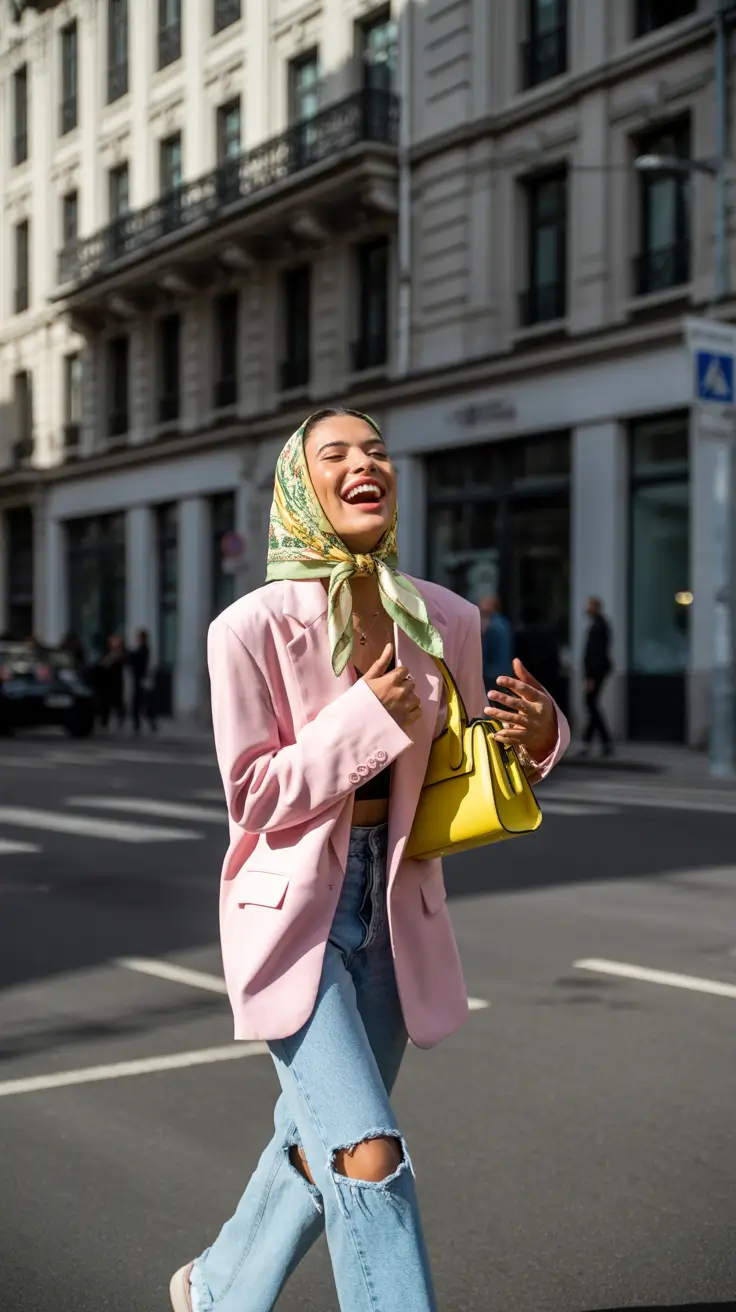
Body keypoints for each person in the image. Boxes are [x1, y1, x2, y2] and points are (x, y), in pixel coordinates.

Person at [170, 408, 570, 1312]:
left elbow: (479, 753)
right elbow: (254, 796)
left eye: (379, 451)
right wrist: (365, 722)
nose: (366, 464)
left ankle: (215, 1290)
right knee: (369, 1151)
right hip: (293, 923)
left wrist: (545, 738)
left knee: (322, 1143)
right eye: (337, 453)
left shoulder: (445, 619)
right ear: (297, 490)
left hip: (395, 913)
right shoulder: (248, 628)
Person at [581, 596, 613, 757]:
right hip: (597, 672)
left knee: (591, 705)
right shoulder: (599, 625)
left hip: (596, 673)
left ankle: (604, 741)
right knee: (591, 705)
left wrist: (590, 677)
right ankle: (591, 742)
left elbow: (595, 654)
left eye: (589, 606)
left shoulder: (598, 627)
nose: (587, 609)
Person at [479, 593, 513, 696]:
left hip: (490, 673)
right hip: (504, 671)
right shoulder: (504, 623)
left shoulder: (488, 624)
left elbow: (482, 650)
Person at [129, 628, 157, 734]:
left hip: (142, 680)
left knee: (143, 704)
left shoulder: (144, 650)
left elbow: (139, 662)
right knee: (141, 704)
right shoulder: (143, 650)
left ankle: (143, 724)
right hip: (140, 680)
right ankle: (139, 724)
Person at [97, 634, 126, 730]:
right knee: (105, 703)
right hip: (107, 682)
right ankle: (104, 722)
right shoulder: (107, 653)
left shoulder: (120, 654)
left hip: (116, 682)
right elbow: (103, 664)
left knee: (118, 703)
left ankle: (120, 720)